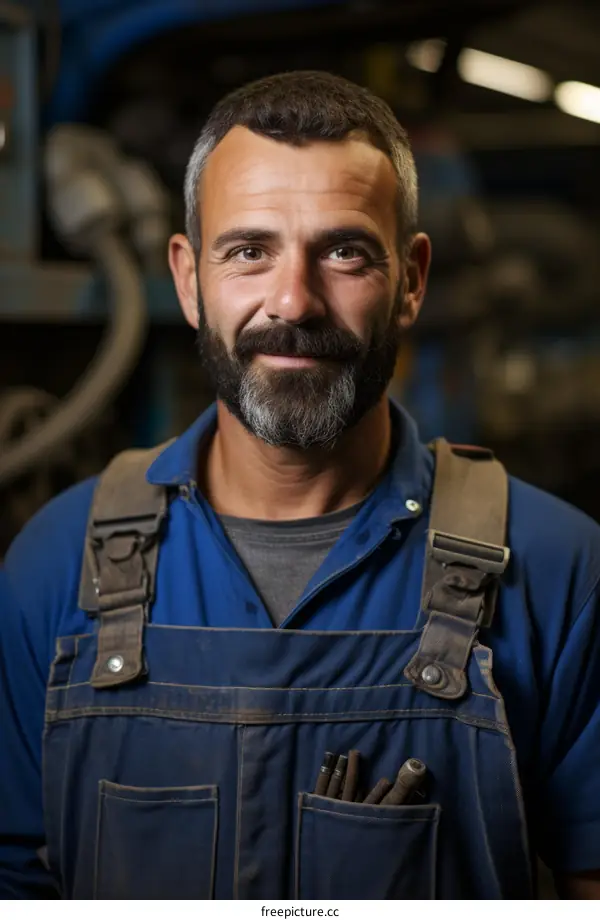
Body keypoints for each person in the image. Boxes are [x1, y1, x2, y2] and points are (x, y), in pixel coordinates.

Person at [1, 70, 600, 901]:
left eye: (345, 251)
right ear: (186, 279)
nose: (293, 301)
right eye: (249, 251)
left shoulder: (558, 569)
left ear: (412, 281)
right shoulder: (55, 564)